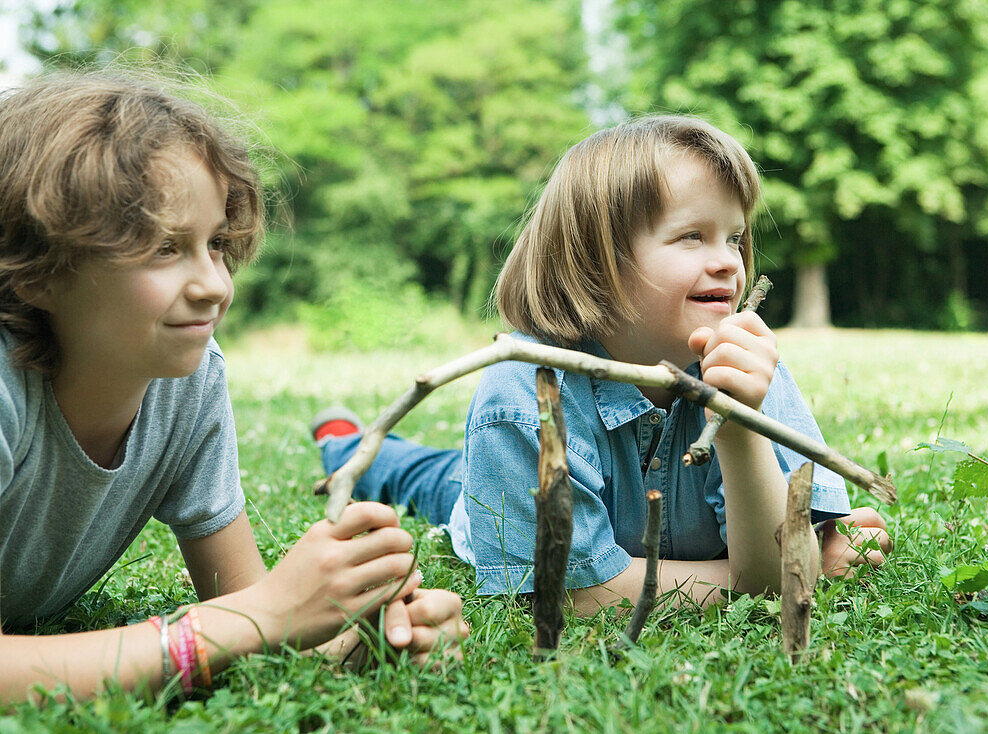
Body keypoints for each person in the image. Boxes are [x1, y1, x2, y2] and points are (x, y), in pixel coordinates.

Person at [0, 71, 467, 705]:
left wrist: (367, 634)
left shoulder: (187, 382)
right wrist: (244, 623)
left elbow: (252, 612)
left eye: (216, 242)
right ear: (37, 273)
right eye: (164, 247)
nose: (215, 285)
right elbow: (250, 620)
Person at [315, 115, 892, 615]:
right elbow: (579, 598)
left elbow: (776, 569)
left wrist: (740, 426)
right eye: (692, 236)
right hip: (498, 483)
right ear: (597, 261)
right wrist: (785, 567)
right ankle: (342, 443)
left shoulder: (749, 367)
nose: (728, 263)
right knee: (435, 481)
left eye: (734, 238)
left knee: (447, 474)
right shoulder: (524, 396)